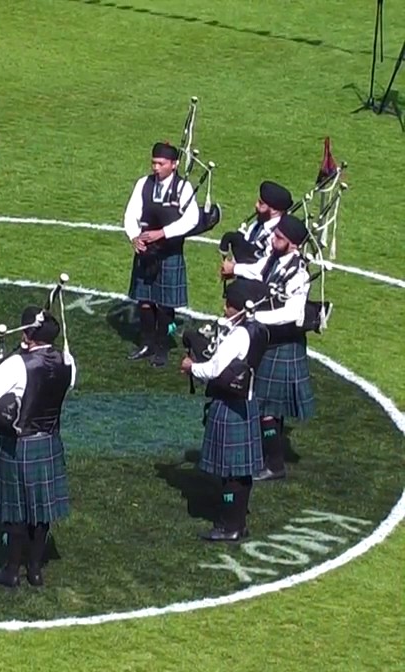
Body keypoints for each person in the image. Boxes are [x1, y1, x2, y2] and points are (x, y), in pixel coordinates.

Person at [0, 307, 76, 588]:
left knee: (16, 510)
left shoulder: (17, 364)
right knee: (41, 511)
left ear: (28, 334)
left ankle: (12, 571)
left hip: (18, 445)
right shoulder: (68, 360)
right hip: (49, 442)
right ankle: (35, 570)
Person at [221, 214, 315, 481]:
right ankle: (270, 455)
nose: (273, 239)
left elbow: (292, 313)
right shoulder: (274, 258)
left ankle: (274, 464)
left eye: (280, 237)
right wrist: (235, 268)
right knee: (268, 405)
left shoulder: (299, 274)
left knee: (266, 407)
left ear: (293, 244)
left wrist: (253, 317)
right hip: (269, 340)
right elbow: (257, 270)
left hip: (283, 344)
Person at [180, 280, 270, 541]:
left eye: (228, 304)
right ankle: (238, 522)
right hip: (247, 403)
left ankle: (229, 526)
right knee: (241, 470)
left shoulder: (238, 336)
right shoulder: (257, 329)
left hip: (230, 405)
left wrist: (191, 367)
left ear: (239, 307)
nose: (224, 307)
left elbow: (214, 369)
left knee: (230, 472)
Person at [122, 141, 199, 366]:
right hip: (146, 251)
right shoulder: (143, 184)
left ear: (174, 164)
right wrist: (134, 237)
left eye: (161, 163)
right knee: (145, 301)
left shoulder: (183, 188)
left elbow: (192, 219)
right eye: (154, 163)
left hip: (169, 252)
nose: (156, 168)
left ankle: (162, 346)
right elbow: (131, 213)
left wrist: (163, 233)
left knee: (165, 304)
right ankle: (147, 343)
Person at [218, 180, 292, 270]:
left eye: (261, 203)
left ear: (274, 211)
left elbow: (265, 269)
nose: (256, 205)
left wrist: (234, 269)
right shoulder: (259, 223)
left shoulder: (278, 236)